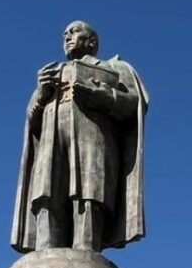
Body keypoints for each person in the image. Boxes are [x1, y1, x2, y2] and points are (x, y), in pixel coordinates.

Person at [11, 21, 147, 254]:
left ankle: (86, 250)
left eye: (74, 32)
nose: (67, 37)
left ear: (92, 41)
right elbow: (31, 121)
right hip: (51, 142)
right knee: (47, 193)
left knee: (89, 192)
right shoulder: (52, 72)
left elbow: (134, 104)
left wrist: (101, 96)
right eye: (64, 34)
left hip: (92, 141)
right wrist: (42, 94)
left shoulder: (114, 68)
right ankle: (45, 252)